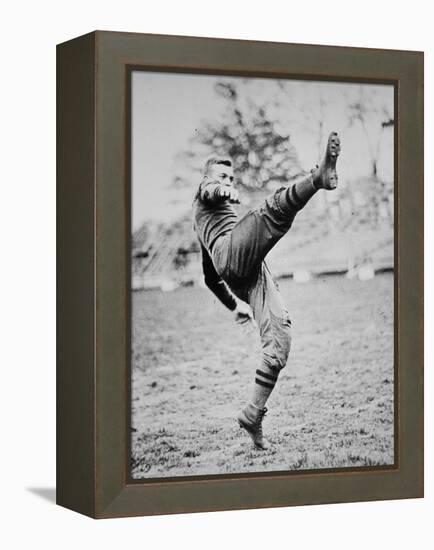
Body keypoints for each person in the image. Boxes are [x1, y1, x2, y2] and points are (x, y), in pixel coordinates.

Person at [192, 132, 341, 449]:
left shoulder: (210, 223)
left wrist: (235, 307)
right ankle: (318, 178)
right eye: (222, 175)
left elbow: (209, 276)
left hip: (244, 272)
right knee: (270, 213)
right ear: (206, 179)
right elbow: (210, 191)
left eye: (231, 177)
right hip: (231, 255)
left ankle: (252, 414)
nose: (228, 180)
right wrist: (221, 188)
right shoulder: (205, 196)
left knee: (279, 340)